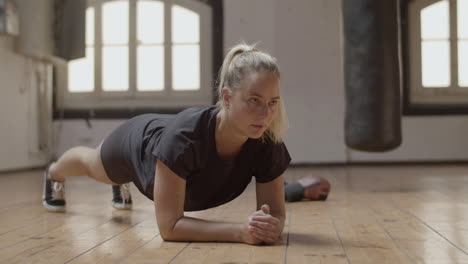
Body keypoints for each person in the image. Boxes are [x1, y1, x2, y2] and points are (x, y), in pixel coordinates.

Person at [42, 43, 331, 245]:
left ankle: (117, 184)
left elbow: (275, 212)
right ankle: (54, 172)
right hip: (140, 146)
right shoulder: (184, 139)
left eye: (272, 103)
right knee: (93, 165)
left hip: (169, 147)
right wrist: (240, 232)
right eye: (254, 100)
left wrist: (272, 226)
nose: (266, 113)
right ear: (227, 97)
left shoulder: (267, 139)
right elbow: (169, 227)